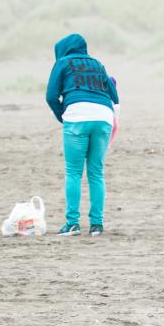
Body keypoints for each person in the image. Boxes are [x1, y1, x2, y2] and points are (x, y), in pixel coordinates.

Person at [45, 33, 119, 236]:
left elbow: (51, 96)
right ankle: (97, 224)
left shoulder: (63, 62)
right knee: (96, 172)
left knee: (74, 172)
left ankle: (72, 223)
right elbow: (114, 96)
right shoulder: (98, 64)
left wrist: (63, 115)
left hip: (76, 117)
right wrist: (111, 121)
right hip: (104, 117)